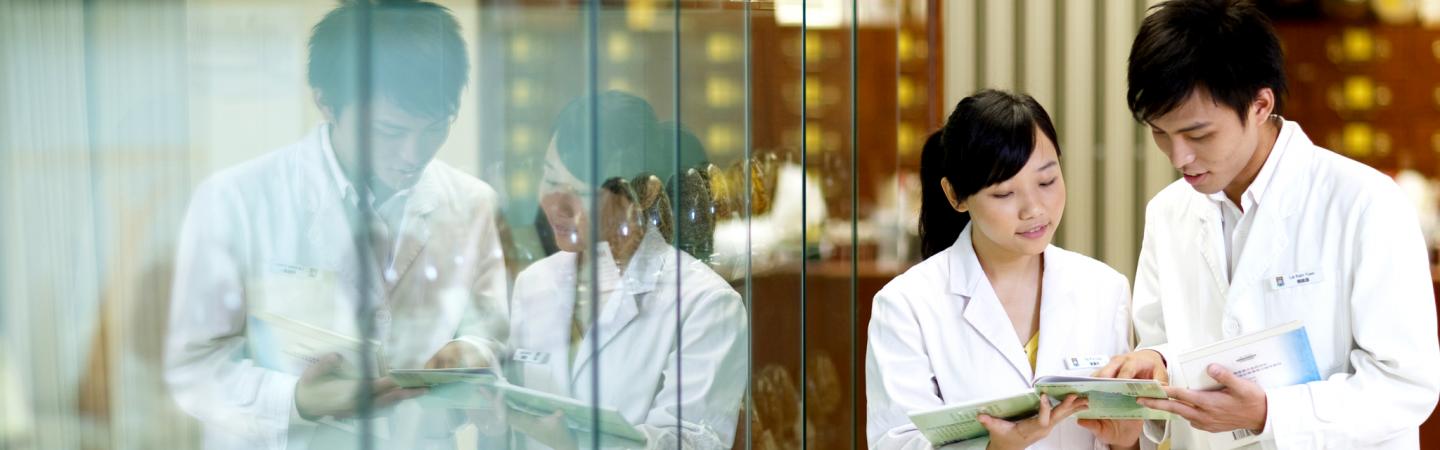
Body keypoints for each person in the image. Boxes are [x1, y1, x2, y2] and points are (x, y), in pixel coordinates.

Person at [164, 1, 508, 449]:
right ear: (325, 101)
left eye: (436, 127)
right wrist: (294, 400)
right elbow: (194, 368)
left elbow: (491, 330)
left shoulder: (471, 202)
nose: (413, 154)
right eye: (388, 131)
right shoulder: (234, 199)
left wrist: (473, 352)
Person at [1096, 1, 1440, 448]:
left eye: (1199, 135)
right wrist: (1153, 362)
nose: (1179, 157)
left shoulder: (1364, 203)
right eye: (1160, 132)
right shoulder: (1168, 212)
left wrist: (1271, 414)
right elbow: (1164, 339)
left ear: (1260, 104)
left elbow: (1407, 385)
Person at [866, 89, 1140, 450]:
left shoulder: (1105, 289)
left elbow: (1128, 431)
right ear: (955, 196)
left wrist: (1126, 444)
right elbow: (894, 443)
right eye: (1004, 194)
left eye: (1047, 181)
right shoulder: (906, 306)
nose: (1033, 209)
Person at [491, 91, 748, 449]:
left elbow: (692, 443)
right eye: (549, 181)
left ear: (643, 193)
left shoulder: (705, 303)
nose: (556, 206)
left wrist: (576, 443)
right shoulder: (534, 283)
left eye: (580, 192)